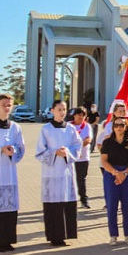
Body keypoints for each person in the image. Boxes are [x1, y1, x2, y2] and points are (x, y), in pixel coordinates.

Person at [35, 100, 83, 246]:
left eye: (64, 109)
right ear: (52, 110)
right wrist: (55, 152)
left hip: (66, 172)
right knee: (53, 206)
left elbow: (77, 146)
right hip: (51, 172)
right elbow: (39, 152)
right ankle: (54, 237)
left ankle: (66, 235)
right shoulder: (46, 129)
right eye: (59, 109)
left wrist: (67, 152)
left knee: (66, 203)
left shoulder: (70, 129)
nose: (62, 112)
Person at [100, 117, 128, 245]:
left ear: (126, 127)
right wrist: (115, 173)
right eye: (116, 125)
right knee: (112, 206)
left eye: (122, 125)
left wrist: (125, 173)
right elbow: (104, 161)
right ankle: (113, 235)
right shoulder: (107, 142)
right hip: (111, 174)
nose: (119, 127)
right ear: (113, 127)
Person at [0, 93, 25, 252]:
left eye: (9, 105)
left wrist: (13, 150)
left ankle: (7, 240)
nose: (7, 108)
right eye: (4, 104)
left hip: (9, 173)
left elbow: (21, 148)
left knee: (8, 209)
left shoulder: (15, 127)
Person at [70, 107, 92, 209]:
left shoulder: (87, 126)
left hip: (83, 158)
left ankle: (84, 199)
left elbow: (88, 139)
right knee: (70, 179)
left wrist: (77, 148)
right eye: (78, 114)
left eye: (83, 115)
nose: (80, 117)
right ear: (74, 115)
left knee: (81, 179)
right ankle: (69, 200)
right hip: (70, 158)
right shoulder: (69, 126)